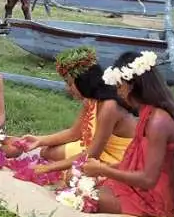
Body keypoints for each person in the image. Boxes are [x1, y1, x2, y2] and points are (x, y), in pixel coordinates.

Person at [80, 50, 174, 217]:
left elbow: (147, 179)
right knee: (81, 186)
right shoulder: (148, 114)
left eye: (119, 86)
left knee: (83, 197)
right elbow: (134, 164)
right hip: (145, 189)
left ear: (130, 85)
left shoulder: (158, 121)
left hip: (156, 199)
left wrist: (103, 169)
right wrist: (104, 169)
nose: (118, 92)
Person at [21, 47, 136, 175]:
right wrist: (39, 140)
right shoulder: (90, 100)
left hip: (116, 161)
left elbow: (92, 155)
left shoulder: (109, 106)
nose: (67, 89)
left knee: (73, 175)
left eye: (70, 84)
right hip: (96, 151)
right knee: (46, 152)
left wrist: (49, 168)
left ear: (84, 81)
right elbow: (74, 133)